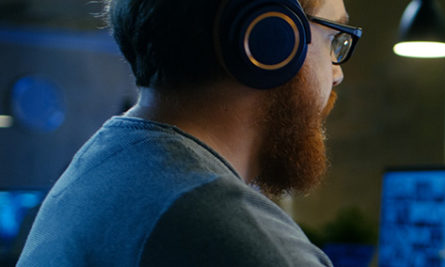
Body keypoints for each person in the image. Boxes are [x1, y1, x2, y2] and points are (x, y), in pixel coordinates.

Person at [18, 0, 358, 265]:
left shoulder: (106, 162)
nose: (337, 73)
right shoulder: (240, 241)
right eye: (333, 40)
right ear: (270, 39)